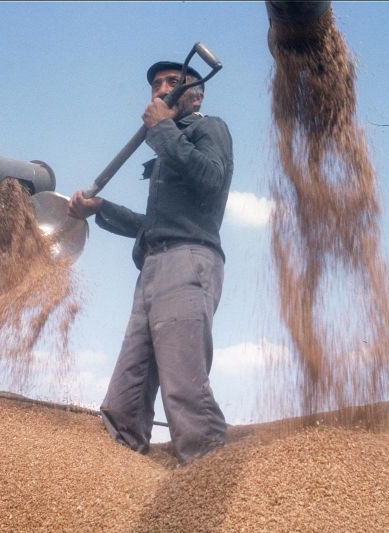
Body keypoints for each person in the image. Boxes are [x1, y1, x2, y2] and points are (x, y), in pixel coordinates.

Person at [67, 60, 234, 463]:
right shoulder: (166, 151)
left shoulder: (209, 128)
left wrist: (161, 129)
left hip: (188, 259)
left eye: (172, 82)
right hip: (154, 264)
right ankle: (121, 470)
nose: (160, 89)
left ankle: (207, 477)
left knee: (183, 384)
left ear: (196, 93)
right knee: (127, 391)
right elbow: (153, 225)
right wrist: (101, 208)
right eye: (156, 84)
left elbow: (212, 179)